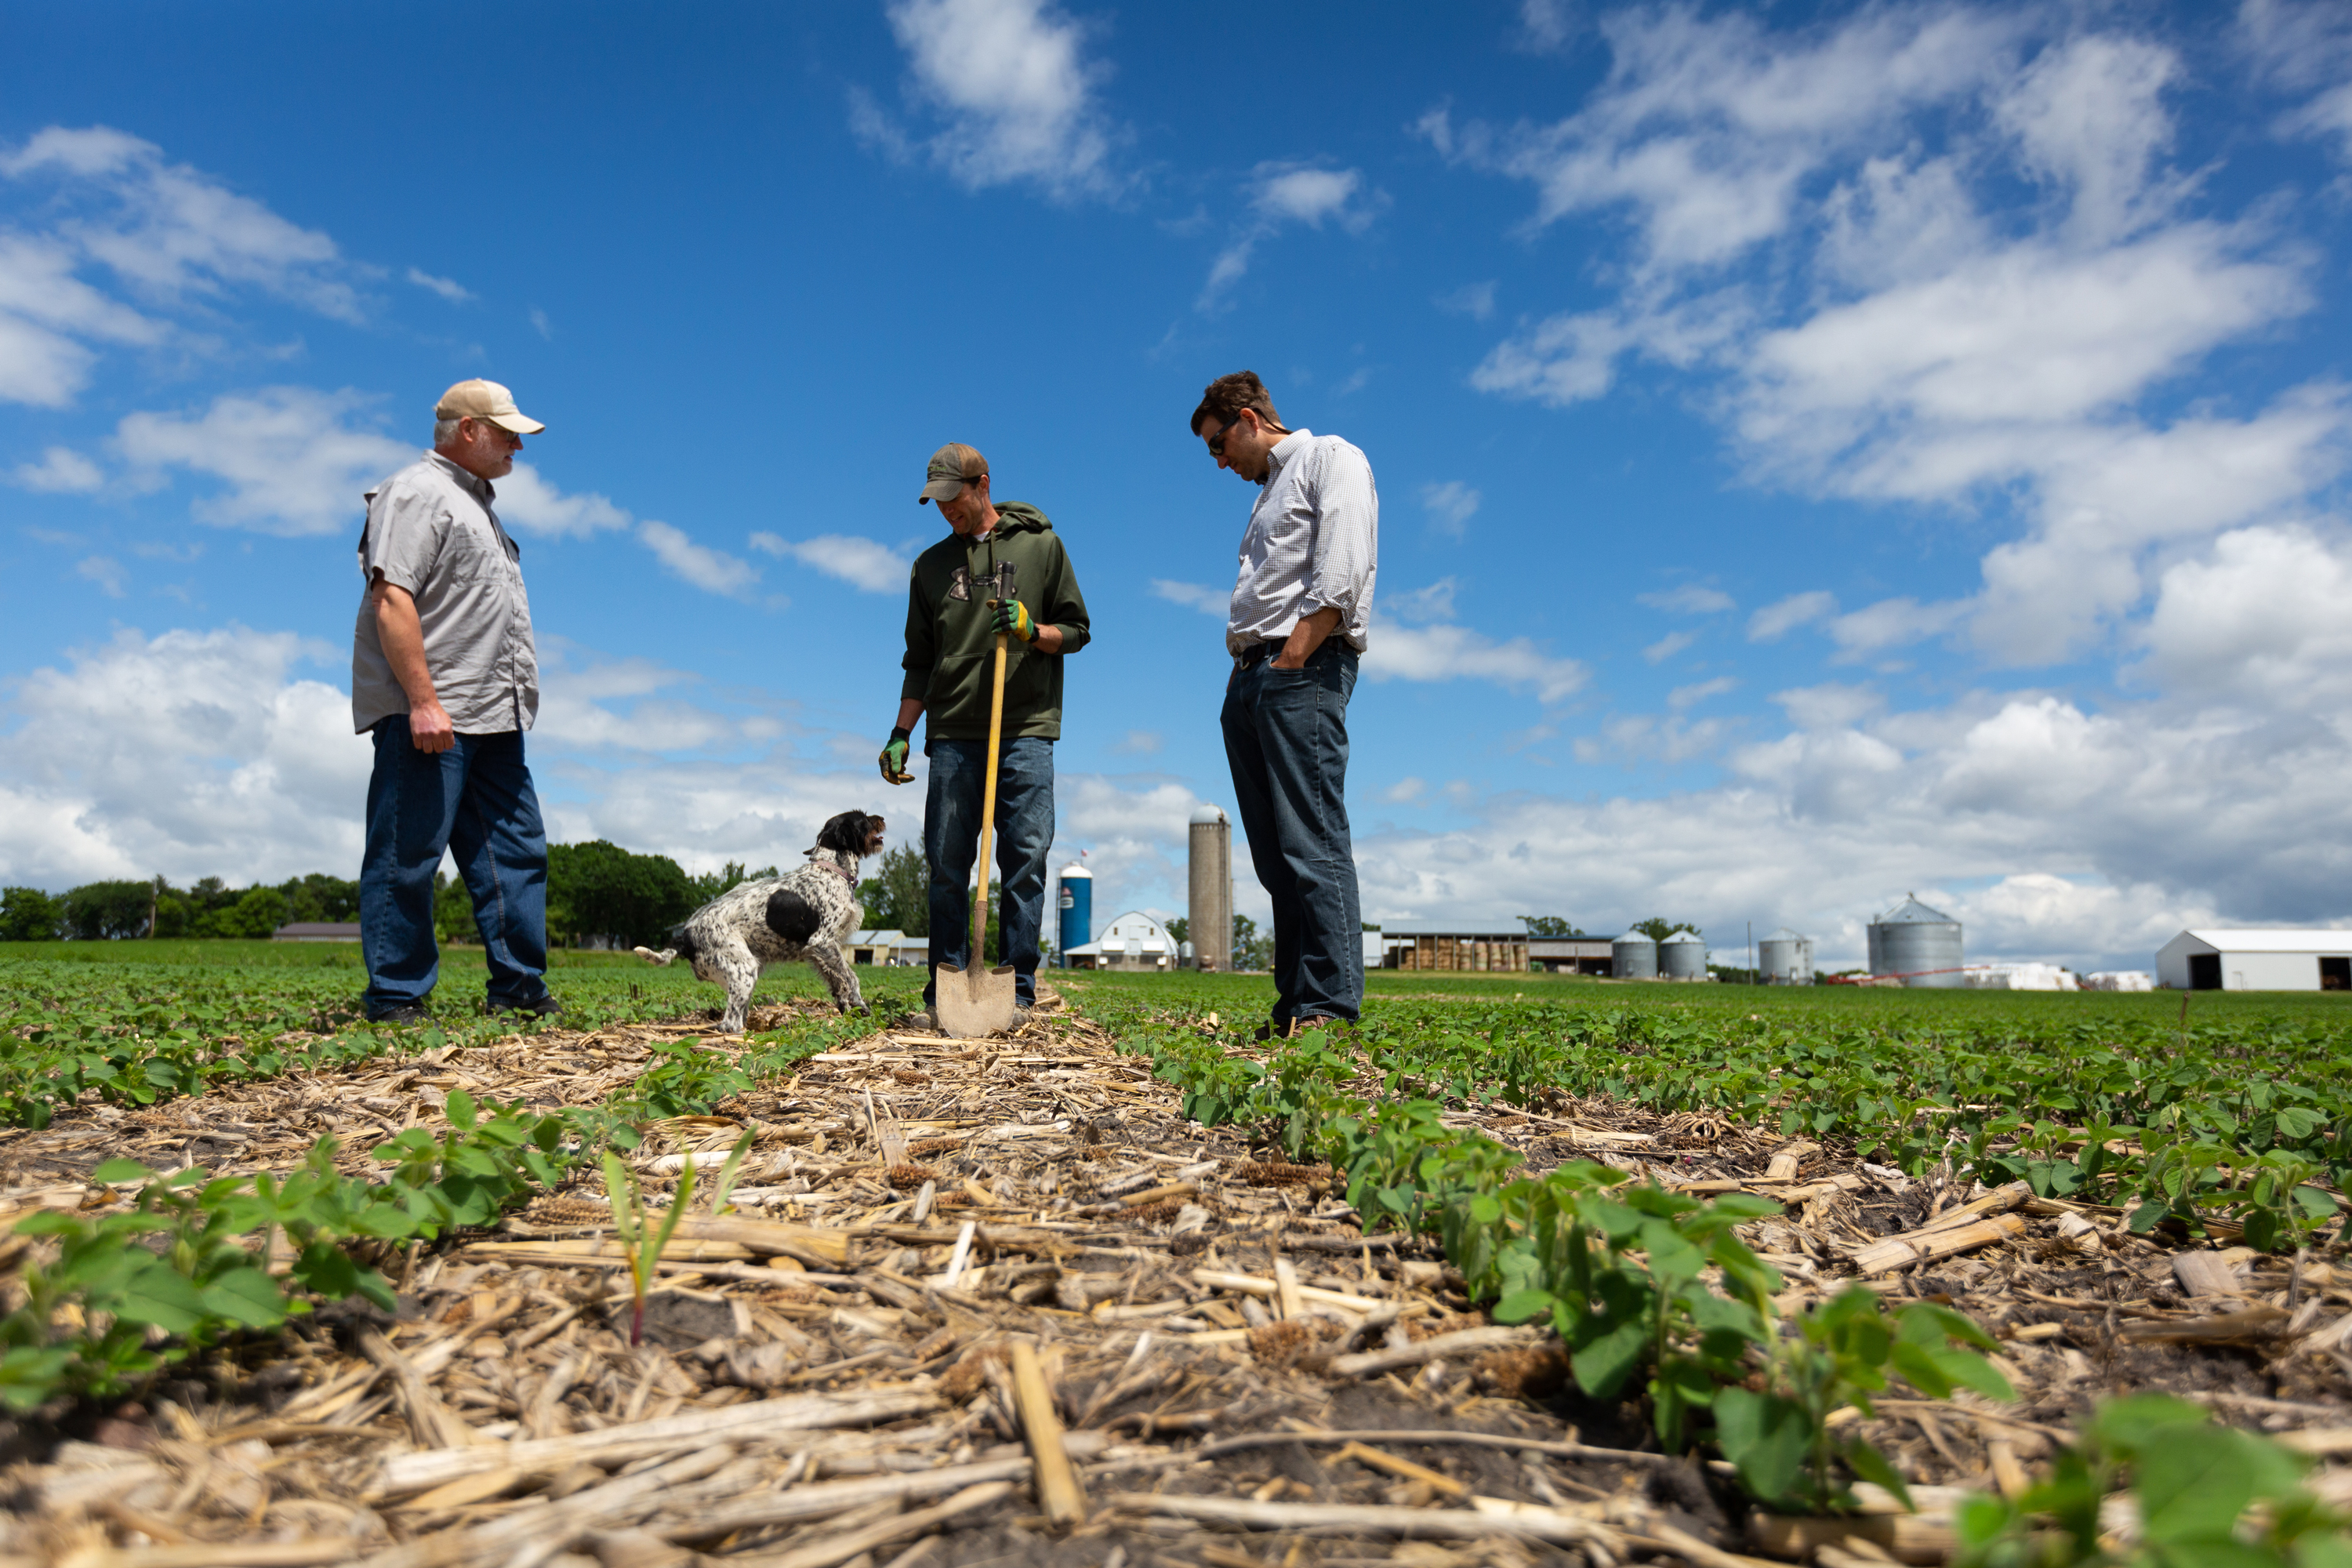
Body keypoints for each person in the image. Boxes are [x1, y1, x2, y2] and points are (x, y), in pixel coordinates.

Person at [350, 379, 563, 1024]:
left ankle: (519, 989)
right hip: (435, 712)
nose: (518, 448)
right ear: (469, 430)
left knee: (517, 853)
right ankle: (396, 997)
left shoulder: (477, 507)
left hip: (495, 714)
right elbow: (393, 600)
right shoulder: (416, 493)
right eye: (507, 434)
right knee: (407, 854)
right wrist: (422, 702)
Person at [1189, 371, 1377, 1038]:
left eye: (1217, 444)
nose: (1218, 461)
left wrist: (1293, 657)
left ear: (1248, 419)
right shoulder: (1270, 490)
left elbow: (1342, 566)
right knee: (1275, 856)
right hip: (1253, 676)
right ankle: (1297, 1004)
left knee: (1312, 839)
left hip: (1299, 667)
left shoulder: (1331, 457)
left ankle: (1329, 1005)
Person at [881, 443, 1090, 1025]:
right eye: (937, 502)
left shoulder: (1042, 547)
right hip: (952, 732)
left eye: (954, 497)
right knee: (947, 864)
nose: (947, 510)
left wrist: (1033, 629)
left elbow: (1077, 631)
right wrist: (901, 731)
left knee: (1025, 857)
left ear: (982, 484)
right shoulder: (928, 568)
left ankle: (1018, 991)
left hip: (1025, 728)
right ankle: (943, 991)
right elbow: (918, 660)